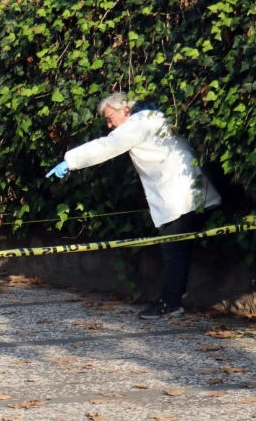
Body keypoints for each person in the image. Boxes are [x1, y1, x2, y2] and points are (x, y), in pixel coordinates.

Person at [46, 92, 221, 320]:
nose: (109, 125)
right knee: (178, 252)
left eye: (110, 118)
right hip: (192, 192)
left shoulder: (138, 124)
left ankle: (170, 304)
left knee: (173, 252)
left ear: (125, 110)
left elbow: (108, 146)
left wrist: (71, 161)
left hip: (179, 197)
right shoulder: (154, 117)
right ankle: (172, 300)